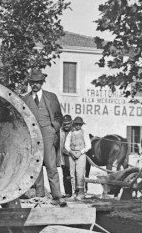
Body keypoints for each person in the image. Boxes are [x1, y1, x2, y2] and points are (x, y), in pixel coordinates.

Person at [22, 69, 66, 206]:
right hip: (32, 135)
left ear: (42, 83)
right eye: (32, 83)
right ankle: (40, 194)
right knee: (36, 166)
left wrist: (53, 129)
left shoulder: (51, 97)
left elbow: (59, 117)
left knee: (51, 166)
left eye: (37, 82)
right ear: (29, 83)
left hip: (48, 134)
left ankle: (57, 196)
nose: (35, 85)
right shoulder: (24, 99)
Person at [64, 116, 92, 200]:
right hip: (72, 154)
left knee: (80, 174)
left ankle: (81, 193)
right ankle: (74, 193)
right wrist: (71, 152)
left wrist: (80, 152)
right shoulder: (70, 133)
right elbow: (66, 144)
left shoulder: (84, 133)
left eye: (80, 124)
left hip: (81, 155)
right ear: (74, 124)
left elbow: (88, 146)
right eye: (76, 124)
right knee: (72, 174)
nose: (78, 126)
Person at [59, 115, 74, 197]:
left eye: (68, 124)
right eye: (64, 124)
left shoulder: (75, 131)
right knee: (65, 175)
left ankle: (77, 193)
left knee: (74, 176)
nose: (66, 126)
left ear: (71, 123)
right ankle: (68, 193)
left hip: (73, 157)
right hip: (64, 157)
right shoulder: (60, 132)